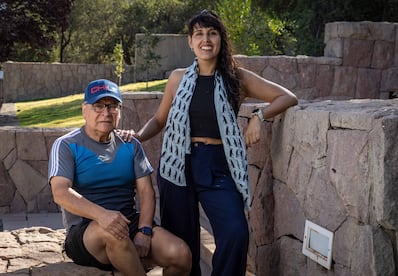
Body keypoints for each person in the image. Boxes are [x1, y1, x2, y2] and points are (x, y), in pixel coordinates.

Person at [123, 9, 298, 276]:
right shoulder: (177, 78)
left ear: (221, 39)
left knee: (236, 232)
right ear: (190, 41)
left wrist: (258, 115)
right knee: (184, 245)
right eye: (199, 34)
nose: (206, 40)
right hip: (176, 165)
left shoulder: (237, 78)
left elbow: (287, 97)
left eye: (212, 33)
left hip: (217, 164)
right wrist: (138, 135)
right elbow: (159, 120)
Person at [48, 79, 192, 276]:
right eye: (98, 106)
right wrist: (102, 215)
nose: (106, 113)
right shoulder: (66, 145)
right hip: (85, 231)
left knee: (180, 254)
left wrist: (145, 230)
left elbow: (146, 191)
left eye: (112, 106)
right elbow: (61, 193)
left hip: (129, 222)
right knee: (112, 232)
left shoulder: (130, 145)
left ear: (119, 111)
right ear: (84, 110)